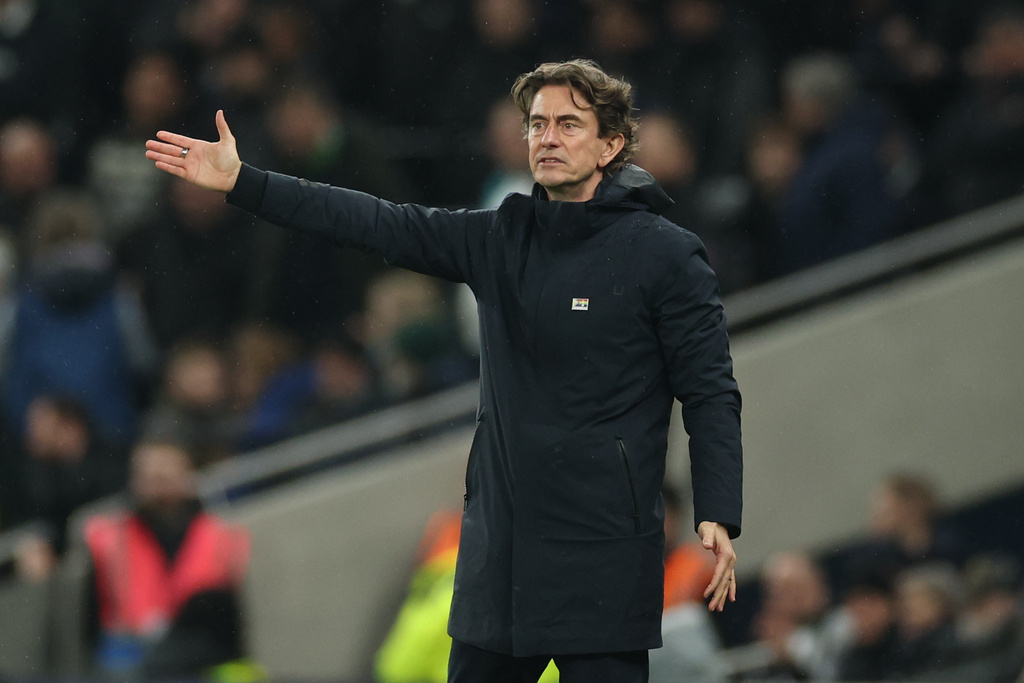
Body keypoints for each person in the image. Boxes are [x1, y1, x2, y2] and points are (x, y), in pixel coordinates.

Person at [145, 58, 743, 683]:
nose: (547, 137)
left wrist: (717, 509)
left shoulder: (665, 255)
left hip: (602, 555)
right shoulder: (499, 238)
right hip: (501, 557)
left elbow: (709, 390)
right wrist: (245, 182)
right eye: (537, 124)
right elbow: (376, 221)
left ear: (611, 143)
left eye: (569, 124)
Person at [83, 439, 251, 679]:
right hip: (131, 652)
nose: (159, 482)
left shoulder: (217, 533)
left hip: (202, 652)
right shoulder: (111, 538)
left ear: (188, 476)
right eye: (151, 475)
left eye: (166, 472)